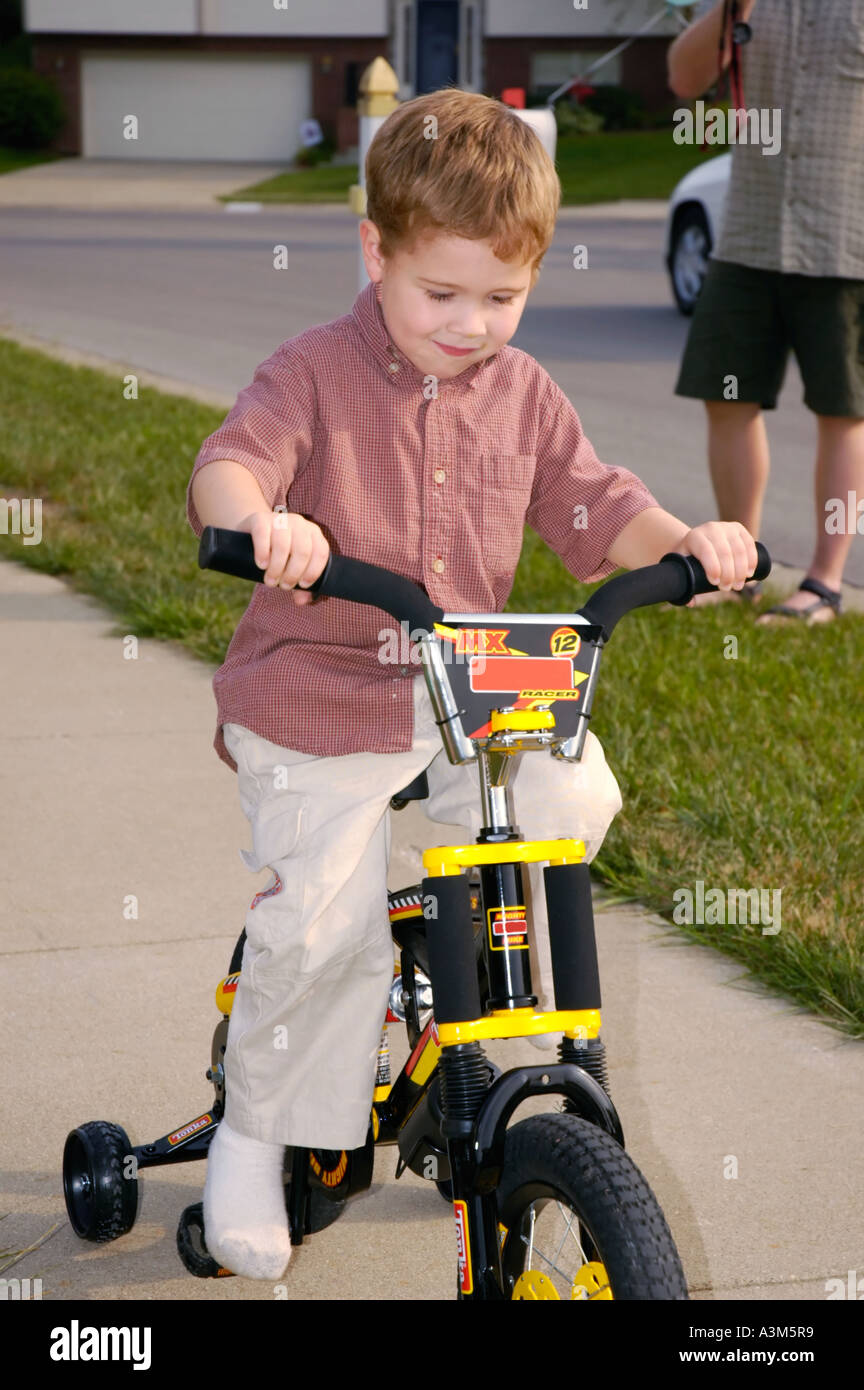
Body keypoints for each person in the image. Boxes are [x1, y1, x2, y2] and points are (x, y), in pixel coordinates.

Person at [185, 87, 758, 1281]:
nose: (471, 324)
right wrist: (263, 526)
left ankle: (520, 1033)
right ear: (374, 250)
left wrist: (687, 542)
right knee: (323, 915)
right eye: (440, 293)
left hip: (470, 690)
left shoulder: (526, 392)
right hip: (321, 686)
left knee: (565, 804)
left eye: (502, 297)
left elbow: (597, 508)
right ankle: (259, 1127)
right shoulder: (314, 372)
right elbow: (230, 467)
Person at [669, 0, 864, 624]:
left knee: (845, 410)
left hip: (847, 236)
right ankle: (739, 570)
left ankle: (825, 584)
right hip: (749, 233)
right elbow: (683, 77)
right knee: (725, 397)